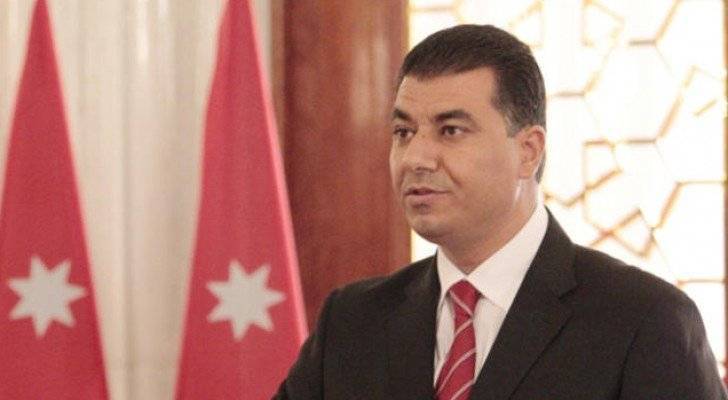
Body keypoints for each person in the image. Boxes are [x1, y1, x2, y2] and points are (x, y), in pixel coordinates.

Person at [274, 24, 727, 400]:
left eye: (451, 130)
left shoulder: (643, 321)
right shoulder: (352, 323)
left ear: (528, 151)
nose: (416, 158)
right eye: (403, 132)